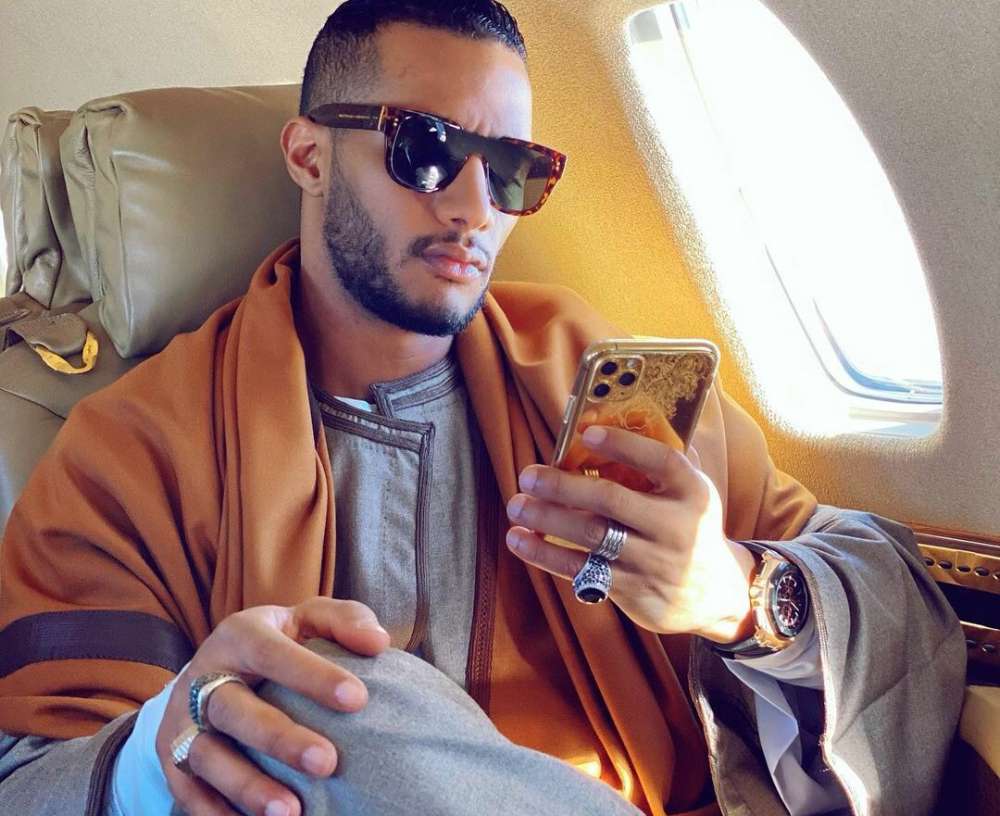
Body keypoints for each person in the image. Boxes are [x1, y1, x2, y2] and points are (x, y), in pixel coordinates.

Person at [0, 2, 966, 815]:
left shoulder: (585, 375)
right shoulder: (132, 447)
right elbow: (33, 775)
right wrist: (161, 746)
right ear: (307, 156)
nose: (474, 208)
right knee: (312, 692)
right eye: (424, 150)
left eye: (511, 170)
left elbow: (882, 581)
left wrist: (733, 593)